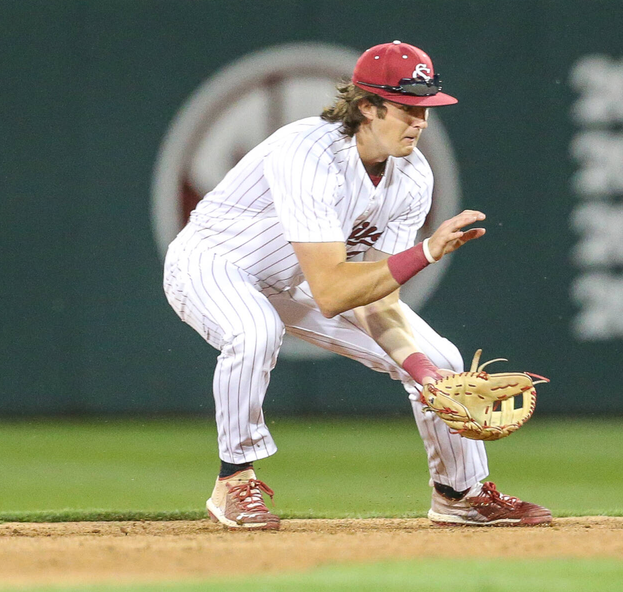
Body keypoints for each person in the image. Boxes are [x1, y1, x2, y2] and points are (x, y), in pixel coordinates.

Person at [162, 40, 551, 530]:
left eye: (426, 108)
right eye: (408, 108)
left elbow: (375, 296)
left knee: (445, 361)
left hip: (296, 278)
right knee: (254, 330)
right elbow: (331, 293)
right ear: (367, 106)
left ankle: (460, 494)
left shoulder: (412, 175)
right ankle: (234, 480)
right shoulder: (307, 153)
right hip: (214, 263)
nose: (421, 121)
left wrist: (421, 372)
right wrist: (426, 252)